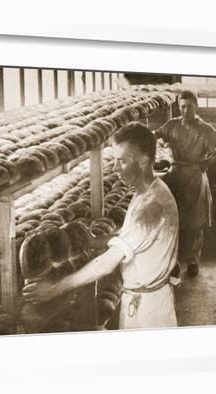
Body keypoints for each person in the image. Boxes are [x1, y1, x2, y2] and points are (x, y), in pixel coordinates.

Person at [22, 122, 179, 330]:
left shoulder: (151, 209)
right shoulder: (147, 192)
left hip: (150, 313)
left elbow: (106, 264)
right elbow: (128, 237)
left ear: (142, 162)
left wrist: (53, 290)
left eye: (121, 161)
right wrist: (93, 241)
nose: (114, 169)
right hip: (142, 299)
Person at [155, 90, 216, 278]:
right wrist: (160, 150)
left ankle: (193, 261)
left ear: (196, 107)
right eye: (182, 106)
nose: (185, 110)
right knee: (174, 219)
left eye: (189, 106)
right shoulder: (172, 125)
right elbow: (155, 135)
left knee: (195, 222)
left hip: (195, 177)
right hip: (175, 175)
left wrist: (208, 162)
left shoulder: (205, 129)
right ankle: (172, 262)